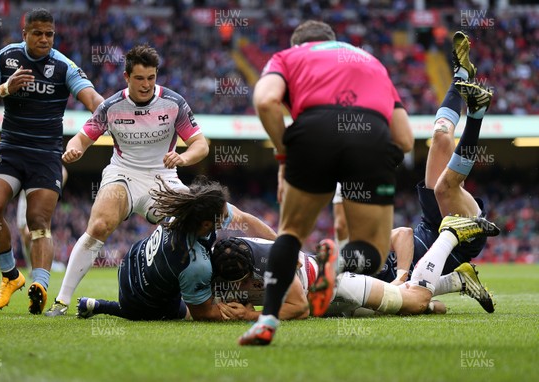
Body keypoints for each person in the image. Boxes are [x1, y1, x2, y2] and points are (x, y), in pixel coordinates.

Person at [240, 20, 413, 345]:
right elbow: (404, 139)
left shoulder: (287, 57)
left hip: (313, 131)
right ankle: (336, 260)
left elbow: (265, 102)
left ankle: (267, 321)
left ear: (299, 44)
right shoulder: (370, 61)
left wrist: (283, 154)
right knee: (373, 255)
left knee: (290, 233)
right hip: (371, 136)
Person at [44, 44, 212, 316]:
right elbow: (83, 136)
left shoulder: (174, 103)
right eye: (139, 78)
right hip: (123, 174)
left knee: (196, 227)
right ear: (126, 77)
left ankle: (205, 299)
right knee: (99, 225)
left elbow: (200, 145)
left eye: (151, 78)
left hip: (163, 177)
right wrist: (75, 148)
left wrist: (183, 158)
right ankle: (62, 301)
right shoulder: (111, 106)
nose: (146, 85)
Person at [0, 8, 104, 315]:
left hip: (46, 155)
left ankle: (40, 285)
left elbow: (93, 99)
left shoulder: (63, 65)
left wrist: (112, 113)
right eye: (38, 33)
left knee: (38, 223)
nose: (44, 39)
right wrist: (4, 89)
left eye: (49, 34)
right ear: (25, 34)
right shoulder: (6, 58)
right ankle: (10, 276)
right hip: (11, 148)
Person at [375, 31, 496, 310]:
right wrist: (418, 301)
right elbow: (436, 306)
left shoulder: (366, 258)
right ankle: (476, 115)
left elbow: (403, 234)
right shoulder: (383, 296)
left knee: (441, 135)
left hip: (430, 220)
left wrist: (402, 276)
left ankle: (461, 74)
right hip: (461, 239)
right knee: (445, 187)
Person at [74, 176, 275, 321]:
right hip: (139, 300)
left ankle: (95, 305)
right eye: (223, 217)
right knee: (182, 313)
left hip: (131, 261)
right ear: (206, 224)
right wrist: (241, 314)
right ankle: (107, 307)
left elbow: (245, 220)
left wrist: (282, 246)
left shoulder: (189, 210)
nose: (229, 218)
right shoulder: (194, 263)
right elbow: (203, 314)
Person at [213, 225, 497, 321]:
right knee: (421, 308)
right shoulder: (221, 261)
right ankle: (458, 280)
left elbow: (299, 310)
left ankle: (450, 233)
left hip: (333, 286)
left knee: (416, 301)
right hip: (325, 304)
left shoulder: (275, 263)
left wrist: (250, 315)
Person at [17, 166, 68, 270]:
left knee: (31, 232)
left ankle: (42, 265)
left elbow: (63, 171)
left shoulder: (48, 154)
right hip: (25, 197)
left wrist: (55, 188)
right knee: (25, 237)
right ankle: (31, 266)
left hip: (40, 197)